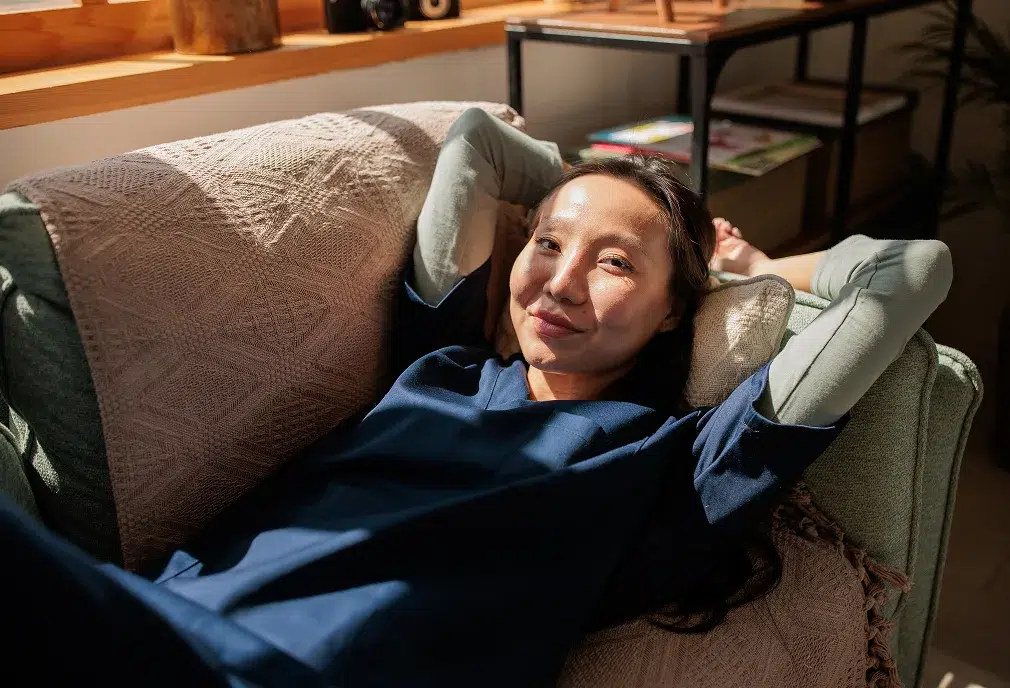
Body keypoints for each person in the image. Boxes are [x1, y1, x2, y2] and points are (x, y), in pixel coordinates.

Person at [1, 108, 952, 688]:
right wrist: (602, 188)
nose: (559, 283)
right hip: (159, 615)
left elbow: (913, 271)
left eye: (615, 264)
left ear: (675, 311)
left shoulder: (678, 464)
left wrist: (739, 265)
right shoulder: (444, 362)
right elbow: (479, 143)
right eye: (547, 243)